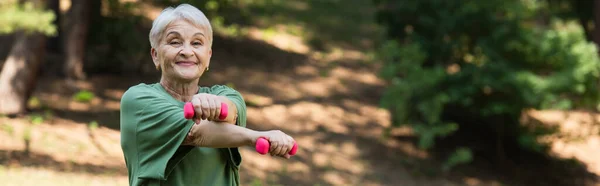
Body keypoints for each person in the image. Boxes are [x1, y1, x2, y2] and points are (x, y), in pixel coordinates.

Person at [119, 4, 296, 186]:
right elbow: (196, 133)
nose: (187, 52)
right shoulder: (138, 100)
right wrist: (257, 137)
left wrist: (217, 106)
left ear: (208, 56)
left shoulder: (225, 94)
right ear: (155, 55)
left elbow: (231, 112)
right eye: (174, 42)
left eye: (197, 43)